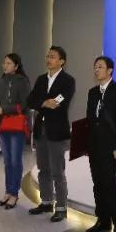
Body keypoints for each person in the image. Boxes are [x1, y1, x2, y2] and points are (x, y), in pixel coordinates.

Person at [27, 45, 76, 222]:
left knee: (57, 171)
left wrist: (46, 102)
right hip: (41, 130)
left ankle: (61, 208)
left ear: (62, 61)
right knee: (43, 169)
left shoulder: (68, 80)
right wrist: (44, 102)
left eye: (53, 56)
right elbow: (30, 100)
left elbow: (60, 101)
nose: (48, 59)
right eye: (48, 56)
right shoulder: (41, 79)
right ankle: (46, 202)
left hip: (57, 131)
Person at [85, 55, 116, 232]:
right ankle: (103, 220)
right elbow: (90, 119)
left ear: (110, 70)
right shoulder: (92, 92)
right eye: (95, 67)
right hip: (94, 146)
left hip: (110, 147)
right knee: (97, 184)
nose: (96, 70)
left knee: (109, 184)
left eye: (100, 67)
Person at [0, 53, 31, 209]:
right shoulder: (2, 80)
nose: (5, 65)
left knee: (15, 161)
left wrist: (4, 109)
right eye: (4, 63)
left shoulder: (23, 81)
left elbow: (24, 105)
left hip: (16, 127)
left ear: (16, 66)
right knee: (7, 161)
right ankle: (8, 192)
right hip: (3, 125)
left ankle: (14, 194)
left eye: (8, 63)